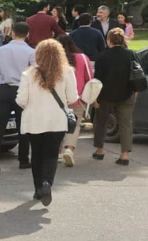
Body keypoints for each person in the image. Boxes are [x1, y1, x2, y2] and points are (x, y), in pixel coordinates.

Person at [16, 39, 77, 206]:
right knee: (51, 154)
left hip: (34, 120)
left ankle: (37, 189)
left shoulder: (28, 74)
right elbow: (72, 98)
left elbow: (21, 100)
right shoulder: (67, 73)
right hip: (56, 120)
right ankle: (47, 183)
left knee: (36, 154)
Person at [0, 21, 35, 173]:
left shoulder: (1, 50)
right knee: (24, 126)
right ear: (28, 34)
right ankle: (23, 160)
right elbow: (35, 73)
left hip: (4, 90)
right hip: (22, 90)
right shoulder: (31, 52)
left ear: (12, 33)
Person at [93, 28, 137, 166]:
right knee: (125, 123)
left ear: (109, 40)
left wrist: (95, 98)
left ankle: (100, 150)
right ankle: (124, 155)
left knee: (101, 121)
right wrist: (135, 91)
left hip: (106, 94)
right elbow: (138, 73)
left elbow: (97, 79)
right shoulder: (131, 54)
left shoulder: (102, 56)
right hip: (127, 93)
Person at [58, 34, 91, 167]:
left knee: (58, 125)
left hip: (58, 99)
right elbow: (89, 77)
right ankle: (69, 149)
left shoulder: (55, 60)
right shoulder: (82, 58)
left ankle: (58, 151)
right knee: (75, 124)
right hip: (78, 97)